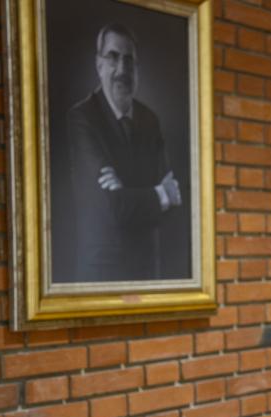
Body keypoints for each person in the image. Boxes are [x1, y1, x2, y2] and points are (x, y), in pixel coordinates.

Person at [67, 23, 182, 282]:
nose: (122, 70)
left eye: (129, 60)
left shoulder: (150, 120)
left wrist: (127, 192)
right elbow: (113, 206)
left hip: (147, 271)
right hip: (103, 274)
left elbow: (176, 203)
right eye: (113, 57)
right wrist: (160, 194)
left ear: (137, 69)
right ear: (98, 65)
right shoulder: (82, 118)